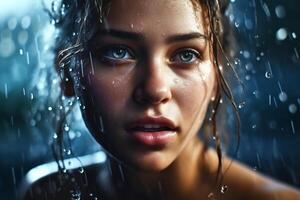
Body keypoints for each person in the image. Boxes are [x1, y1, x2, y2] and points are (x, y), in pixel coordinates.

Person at [21, 0, 300, 199]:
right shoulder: (47, 193)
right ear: (69, 73)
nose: (155, 89)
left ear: (217, 75)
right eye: (118, 52)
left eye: (186, 54)